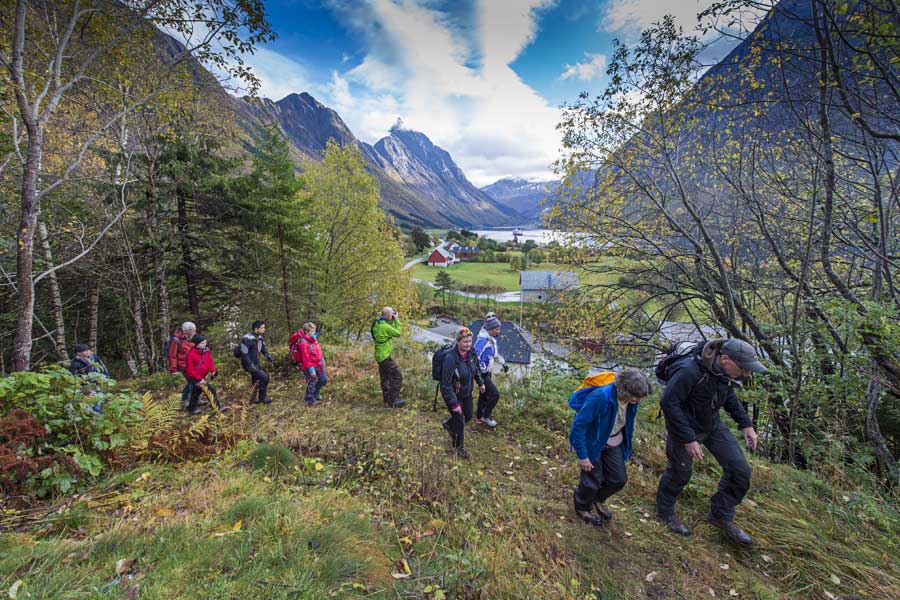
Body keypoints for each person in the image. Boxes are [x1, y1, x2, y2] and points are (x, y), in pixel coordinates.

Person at [655, 338, 766, 546]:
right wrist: (688, 438)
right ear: (724, 359)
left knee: (740, 470)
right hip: (684, 429)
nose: (746, 374)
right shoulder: (689, 371)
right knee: (680, 473)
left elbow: (728, 397)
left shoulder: (723, 373)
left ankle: (720, 514)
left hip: (712, 425)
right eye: (743, 368)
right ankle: (664, 512)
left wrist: (746, 424)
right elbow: (669, 403)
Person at [569, 368, 652, 526]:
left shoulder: (631, 401)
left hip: (614, 441)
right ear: (623, 389)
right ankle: (582, 506)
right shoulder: (600, 397)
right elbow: (579, 425)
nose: (638, 400)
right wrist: (583, 455)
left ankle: (597, 499)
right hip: (593, 442)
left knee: (618, 479)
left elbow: (626, 424)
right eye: (636, 397)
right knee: (592, 480)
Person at [439, 327, 485, 459]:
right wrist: (454, 404)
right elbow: (445, 384)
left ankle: (448, 424)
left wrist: (480, 382)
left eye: (470, 341)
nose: (468, 344)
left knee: (468, 416)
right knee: (459, 421)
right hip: (453, 394)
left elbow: (475, 369)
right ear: (458, 342)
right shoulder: (450, 358)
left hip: (466, 392)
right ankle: (459, 448)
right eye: (465, 342)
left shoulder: (471, 353)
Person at [473, 315, 507, 428]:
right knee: (494, 395)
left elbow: (495, 354)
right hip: (482, 372)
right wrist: (481, 368)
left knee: (484, 395)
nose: (499, 331)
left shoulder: (492, 339)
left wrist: (503, 363)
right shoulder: (483, 340)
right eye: (497, 329)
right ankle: (486, 416)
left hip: (488, 370)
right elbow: (475, 355)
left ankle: (479, 417)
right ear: (490, 329)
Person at [184, 335, 227, 415]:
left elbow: (210, 361)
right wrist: (199, 379)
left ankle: (191, 410)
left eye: (205, 342)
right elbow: (190, 370)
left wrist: (213, 370)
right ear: (197, 344)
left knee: (196, 392)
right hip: (193, 377)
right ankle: (217, 408)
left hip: (200, 376)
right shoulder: (191, 354)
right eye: (202, 343)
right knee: (210, 390)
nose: (205, 344)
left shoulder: (206, 351)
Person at [372, 306, 404, 408]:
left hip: (380, 355)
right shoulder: (384, 327)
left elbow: (387, 327)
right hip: (384, 356)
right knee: (397, 376)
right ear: (389, 315)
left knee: (385, 377)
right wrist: (397, 320)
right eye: (392, 314)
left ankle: (387, 398)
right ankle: (393, 401)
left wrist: (391, 319)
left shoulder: (378, 323)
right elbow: (398, 333)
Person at [69, 343, 109, 414]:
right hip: (85, 387)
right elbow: (73, 377)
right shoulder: (75, 363)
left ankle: (97, 416)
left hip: (97, 383)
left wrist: (106, 377)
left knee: (98, 401)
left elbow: (103, 367)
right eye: (84, 350)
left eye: (88, 349)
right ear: (79, 353)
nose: (88, 351)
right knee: (89, 403)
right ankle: (93, 417)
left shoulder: (94, 358)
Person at [240, 320, 274, 404]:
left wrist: (268, 356)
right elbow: (244, 354)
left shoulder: (259, 338)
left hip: (256, 363)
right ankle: (263, 398)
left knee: (256, 380)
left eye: (264, 327)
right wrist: (250, 365)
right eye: (262, 328)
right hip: (249, 364)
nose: (264, 329)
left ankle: (252, 399)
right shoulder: (247, 339)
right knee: (264, 377)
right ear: (256, 329)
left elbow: (263, 349)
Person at [167, 321, 197, 408]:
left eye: (194, 330)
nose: (194, 332)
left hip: (193, 363)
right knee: (192, 382)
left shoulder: (191, 336)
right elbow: (172, 355)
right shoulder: (176, 340)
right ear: (187, 330)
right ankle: (184, 400)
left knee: (195, 381)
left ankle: (195, 399)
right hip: (184, 365)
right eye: (192, 330)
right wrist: (173, 369)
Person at [296, 322, 327, 406]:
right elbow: (306, 358)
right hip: (309, 366)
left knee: (323, 379)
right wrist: (311, 370)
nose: (314, 333)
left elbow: (318, 350)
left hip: (319, 363)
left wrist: (322, 359)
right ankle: (309, 400)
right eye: (312, 331)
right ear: (306, 331)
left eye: (314, 330)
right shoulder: (303, 343)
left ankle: (316, 393)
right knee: (311, 382)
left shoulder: (314, 338)